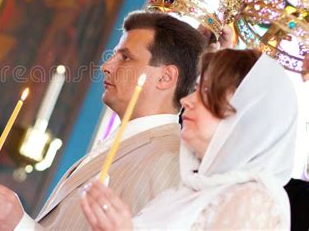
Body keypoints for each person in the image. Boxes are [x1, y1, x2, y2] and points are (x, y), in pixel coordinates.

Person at [0, 11, 206, 230]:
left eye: (125, 57)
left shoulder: (170, 159)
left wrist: (19, 225)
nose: (106, 66)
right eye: (113, 56)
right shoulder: (124, 140)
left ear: (165, 77)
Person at [81, 49, 298, 230]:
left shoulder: (254, 201)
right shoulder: (182, 195)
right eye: (195, 89)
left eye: (206, 92)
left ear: (247, 115)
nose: (186, 101)